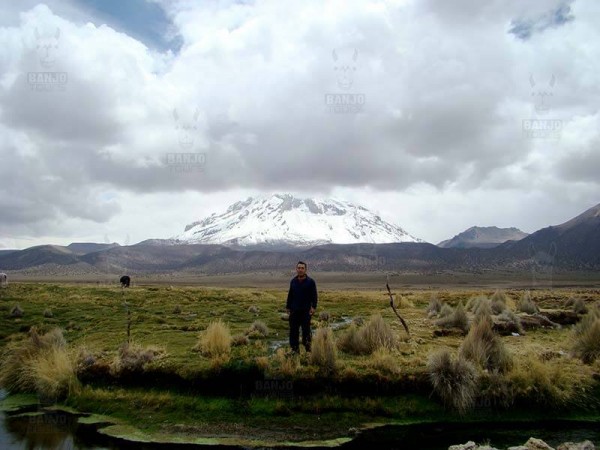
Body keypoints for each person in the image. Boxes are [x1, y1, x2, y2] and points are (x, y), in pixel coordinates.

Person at [286, 261, 318, 354]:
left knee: (306, 331)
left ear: (305, 270)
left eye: (302, 268)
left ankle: (308, 350)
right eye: (298, 268)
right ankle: (294, 350)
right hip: (294, 311)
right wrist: (288, 307)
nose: (300, 270)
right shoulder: (293, 281)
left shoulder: (311, 282)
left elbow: (314, 296)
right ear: (296, 269)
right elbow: (290, 295)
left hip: (305, 311)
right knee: (293, 331)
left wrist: (314, 307)